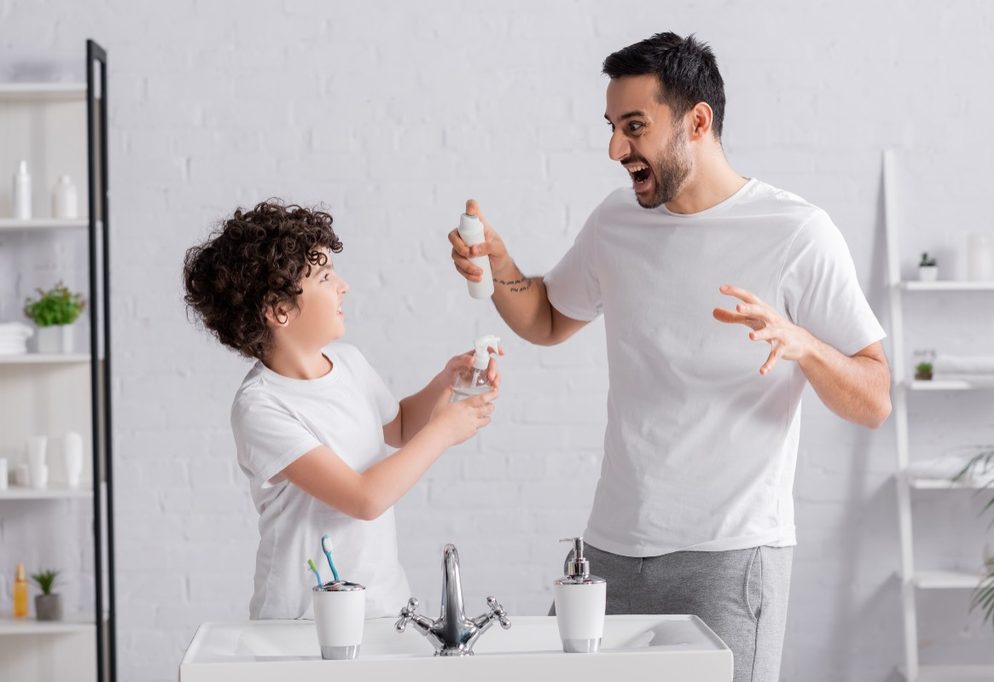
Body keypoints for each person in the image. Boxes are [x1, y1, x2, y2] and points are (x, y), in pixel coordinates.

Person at [447, 33, 890, 682]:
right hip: (610, 552)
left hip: (730, 558)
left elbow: (875, 398)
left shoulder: (796, 233)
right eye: (612, 127)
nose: (616, 149)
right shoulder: (616, 223)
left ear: (698, 122)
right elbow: (545, 318)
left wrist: (806, 345)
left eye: (635, 127)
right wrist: (502, 265)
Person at [183, 199, 500, 619]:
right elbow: (363, 499)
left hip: (382, 608)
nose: (343, 285)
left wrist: (446, 383)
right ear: (280, 310)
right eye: (325, 276)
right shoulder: (261, 407)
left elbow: (401, 426)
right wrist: (443, 431)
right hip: (304, 622)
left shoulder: (347, 361)